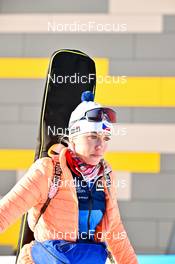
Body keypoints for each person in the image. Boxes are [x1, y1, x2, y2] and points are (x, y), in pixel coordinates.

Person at [0, 91, 138, 264]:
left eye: (106, 138)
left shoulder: (106, 177)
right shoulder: (48, 171)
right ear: (73, 139)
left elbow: (115, 231)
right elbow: (5, 212)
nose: (100, 145)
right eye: (92, 136)